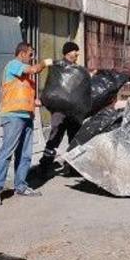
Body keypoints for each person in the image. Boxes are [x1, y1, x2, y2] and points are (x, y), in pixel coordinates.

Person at [0, 42, 52, 205]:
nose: (32, 58)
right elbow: (33, 69)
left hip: (26, 116)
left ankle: (21, 186)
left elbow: (25, 96)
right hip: (13, 115)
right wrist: (44, 63)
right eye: (30, 54)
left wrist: (41, 101)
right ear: (22, 53)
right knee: (7, 151)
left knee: (25, 154)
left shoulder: (26, 77)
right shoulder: (14, 65)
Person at [40, 41, 83, 176]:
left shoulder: (78, 69)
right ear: (67, 52)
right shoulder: (57, 66)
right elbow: (52, 86)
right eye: (74, 51)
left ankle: (72, 168)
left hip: (73, 111)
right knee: (54, 138)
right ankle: (45, 166)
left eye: (77, 51)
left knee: (74, 139)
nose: (77, 53)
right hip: (59, 111)